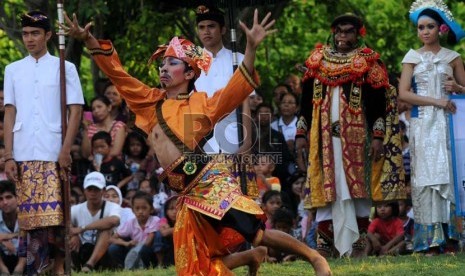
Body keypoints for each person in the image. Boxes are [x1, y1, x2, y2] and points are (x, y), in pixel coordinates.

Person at [63, 9, 331, 276]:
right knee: (192, 266)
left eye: (172, 64)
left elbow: (237, 87)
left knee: (257, 233)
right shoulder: (149, 101)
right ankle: (251, 256)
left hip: (208, 181)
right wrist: (89, 41)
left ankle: (314, 257)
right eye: (162, 64)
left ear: (189, 74)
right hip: (184, 192)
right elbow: (117, 74)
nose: (164, 68)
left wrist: (250, 47)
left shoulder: (203, 103)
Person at [295, 13, 406, 258]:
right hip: (323, 140)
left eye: (348, 32)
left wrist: (378, 137)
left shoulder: (368, 62)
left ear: (358, 34)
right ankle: (325, 248)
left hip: (358, 141)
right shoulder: (317, 61)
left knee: (359, 193)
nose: (343, 36)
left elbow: (378, 106)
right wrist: (300, 134)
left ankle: (358, 248)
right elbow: (304, 104)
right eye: (339, 31)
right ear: (334, 33)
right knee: (325, 192)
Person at [3, 11, 84, 275]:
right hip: (24, 152)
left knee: (56, 219)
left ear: (48, 35)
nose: (29, 39)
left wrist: (65, 149)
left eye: (35, 33)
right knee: (30, 221)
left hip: (54, 152)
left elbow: (76, 110)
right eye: (25, 34)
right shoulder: (12, 70)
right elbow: (10, 112)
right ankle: (36, 269)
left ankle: (59, 268)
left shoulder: (64, 67)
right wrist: (8, 155)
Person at [398, 0, 465, 255]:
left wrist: (458, 89)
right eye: (421, 27)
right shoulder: (411, 57)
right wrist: (436, 100)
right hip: (423, 123)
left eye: (430, 27)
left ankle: (452, 238)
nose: (424, 31)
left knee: (449, 173)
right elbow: (404, 93)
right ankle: (429, 240)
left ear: (441, 29)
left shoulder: (453, 57)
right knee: (425, 178)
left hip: (449, 124)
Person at [194, 5, 252, 155]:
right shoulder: (190, 63)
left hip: (234, 136)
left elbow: (246, 104)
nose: (206, 31)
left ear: (223, 30)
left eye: (211, 26)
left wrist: (247, 143)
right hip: (198, 138)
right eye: (201, 27)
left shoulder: (239, 59)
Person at [70, 171, 121, 272]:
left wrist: (81, 229)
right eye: (90, 189)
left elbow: (114, 220)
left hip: (105, 254)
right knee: (68, 235)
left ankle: (89, 265)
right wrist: (73, 235)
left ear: (103, 191)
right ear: (84, 191)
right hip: (82, 250)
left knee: (107, 230)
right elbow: (66, 224)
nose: (93, 193)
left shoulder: (112, 207)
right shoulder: (76, 209)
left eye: (97, 189)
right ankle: (71, 266)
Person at [108, 191, 159, 270]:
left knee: (143, 250)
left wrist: (137, 246)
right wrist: (126, 243)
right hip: (134, 250)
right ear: (132, 210)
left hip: (149, 252)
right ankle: (124, 268)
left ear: (151, 209)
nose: (140, 211)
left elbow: (148, 243)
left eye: (144, 208)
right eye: (137, 208)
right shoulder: (130, 223)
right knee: (113, 249)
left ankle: (143, 267)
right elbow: (111, 239)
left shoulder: (155, 220)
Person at [0, 180, 26, 275]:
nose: (5, 202)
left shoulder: (26, 215)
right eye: (1, 199)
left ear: (17, 198)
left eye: (8, 197)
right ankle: (3, 270)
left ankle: (19, 269)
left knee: (29, 239)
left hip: (24, 258)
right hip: (3, 258)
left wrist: (6, 237)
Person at [153, 195, 177, 268]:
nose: (174, 212)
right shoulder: (164, 220)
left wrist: (171, 230)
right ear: (166, 211)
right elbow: (164, 233)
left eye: (177, 208)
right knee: (158, 235)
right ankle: (160, 263)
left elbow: (167, 232)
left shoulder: (185, 219)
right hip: (168, 247)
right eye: (171, 209)